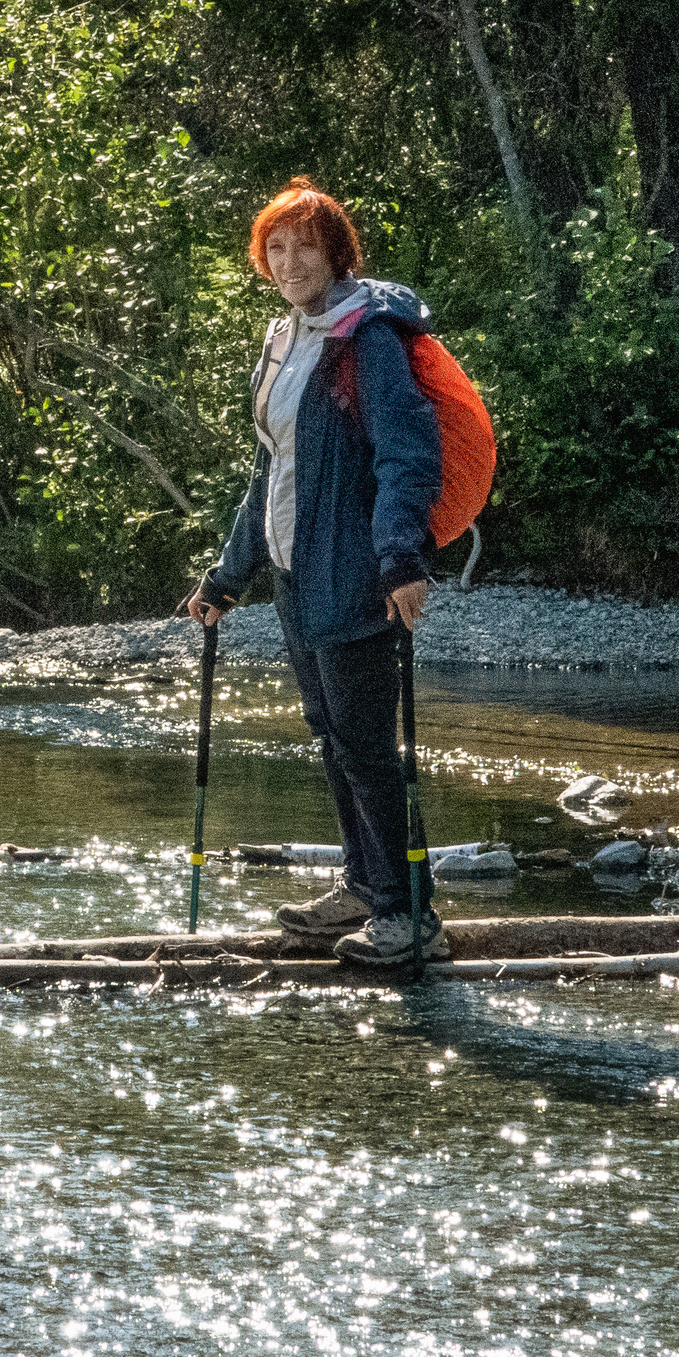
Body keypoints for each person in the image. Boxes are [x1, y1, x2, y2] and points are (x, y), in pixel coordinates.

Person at [185, 179, 442, 966]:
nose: (291, 260)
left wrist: (401, 559)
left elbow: (408, 455)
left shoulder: (367, 338)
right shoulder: (287, 337)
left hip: (358, 571)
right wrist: (229, 575)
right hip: (296, 574)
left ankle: (411, 916)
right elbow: (273, 469)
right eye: (278, 247)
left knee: (368, 746)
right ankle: (364, 886)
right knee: (332, 737)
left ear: (337, 253)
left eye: (306, 246)